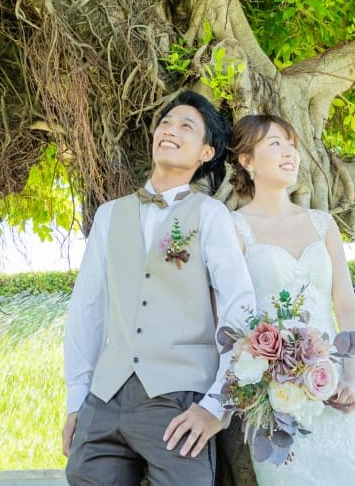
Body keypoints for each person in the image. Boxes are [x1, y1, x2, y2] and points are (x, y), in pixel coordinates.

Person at [63, 90, 255, 486]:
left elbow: (240, 308)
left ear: (206, 152)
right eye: (166, 123)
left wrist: (217, 406)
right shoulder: (109, 215)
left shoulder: (211, 215)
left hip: (178, 401)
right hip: (104, 400)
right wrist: (77, 399)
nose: (170, 130)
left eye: (186, 126)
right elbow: (88, 310)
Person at [227, 113, 355, 486]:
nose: (289, 153)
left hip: (334, 382)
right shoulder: (234, 228)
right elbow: (229, 315)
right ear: (247, 160)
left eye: (292, 145)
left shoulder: (323, 224)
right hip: (275, 396)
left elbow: (346, 305)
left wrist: (353, 376)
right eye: (275, 144)